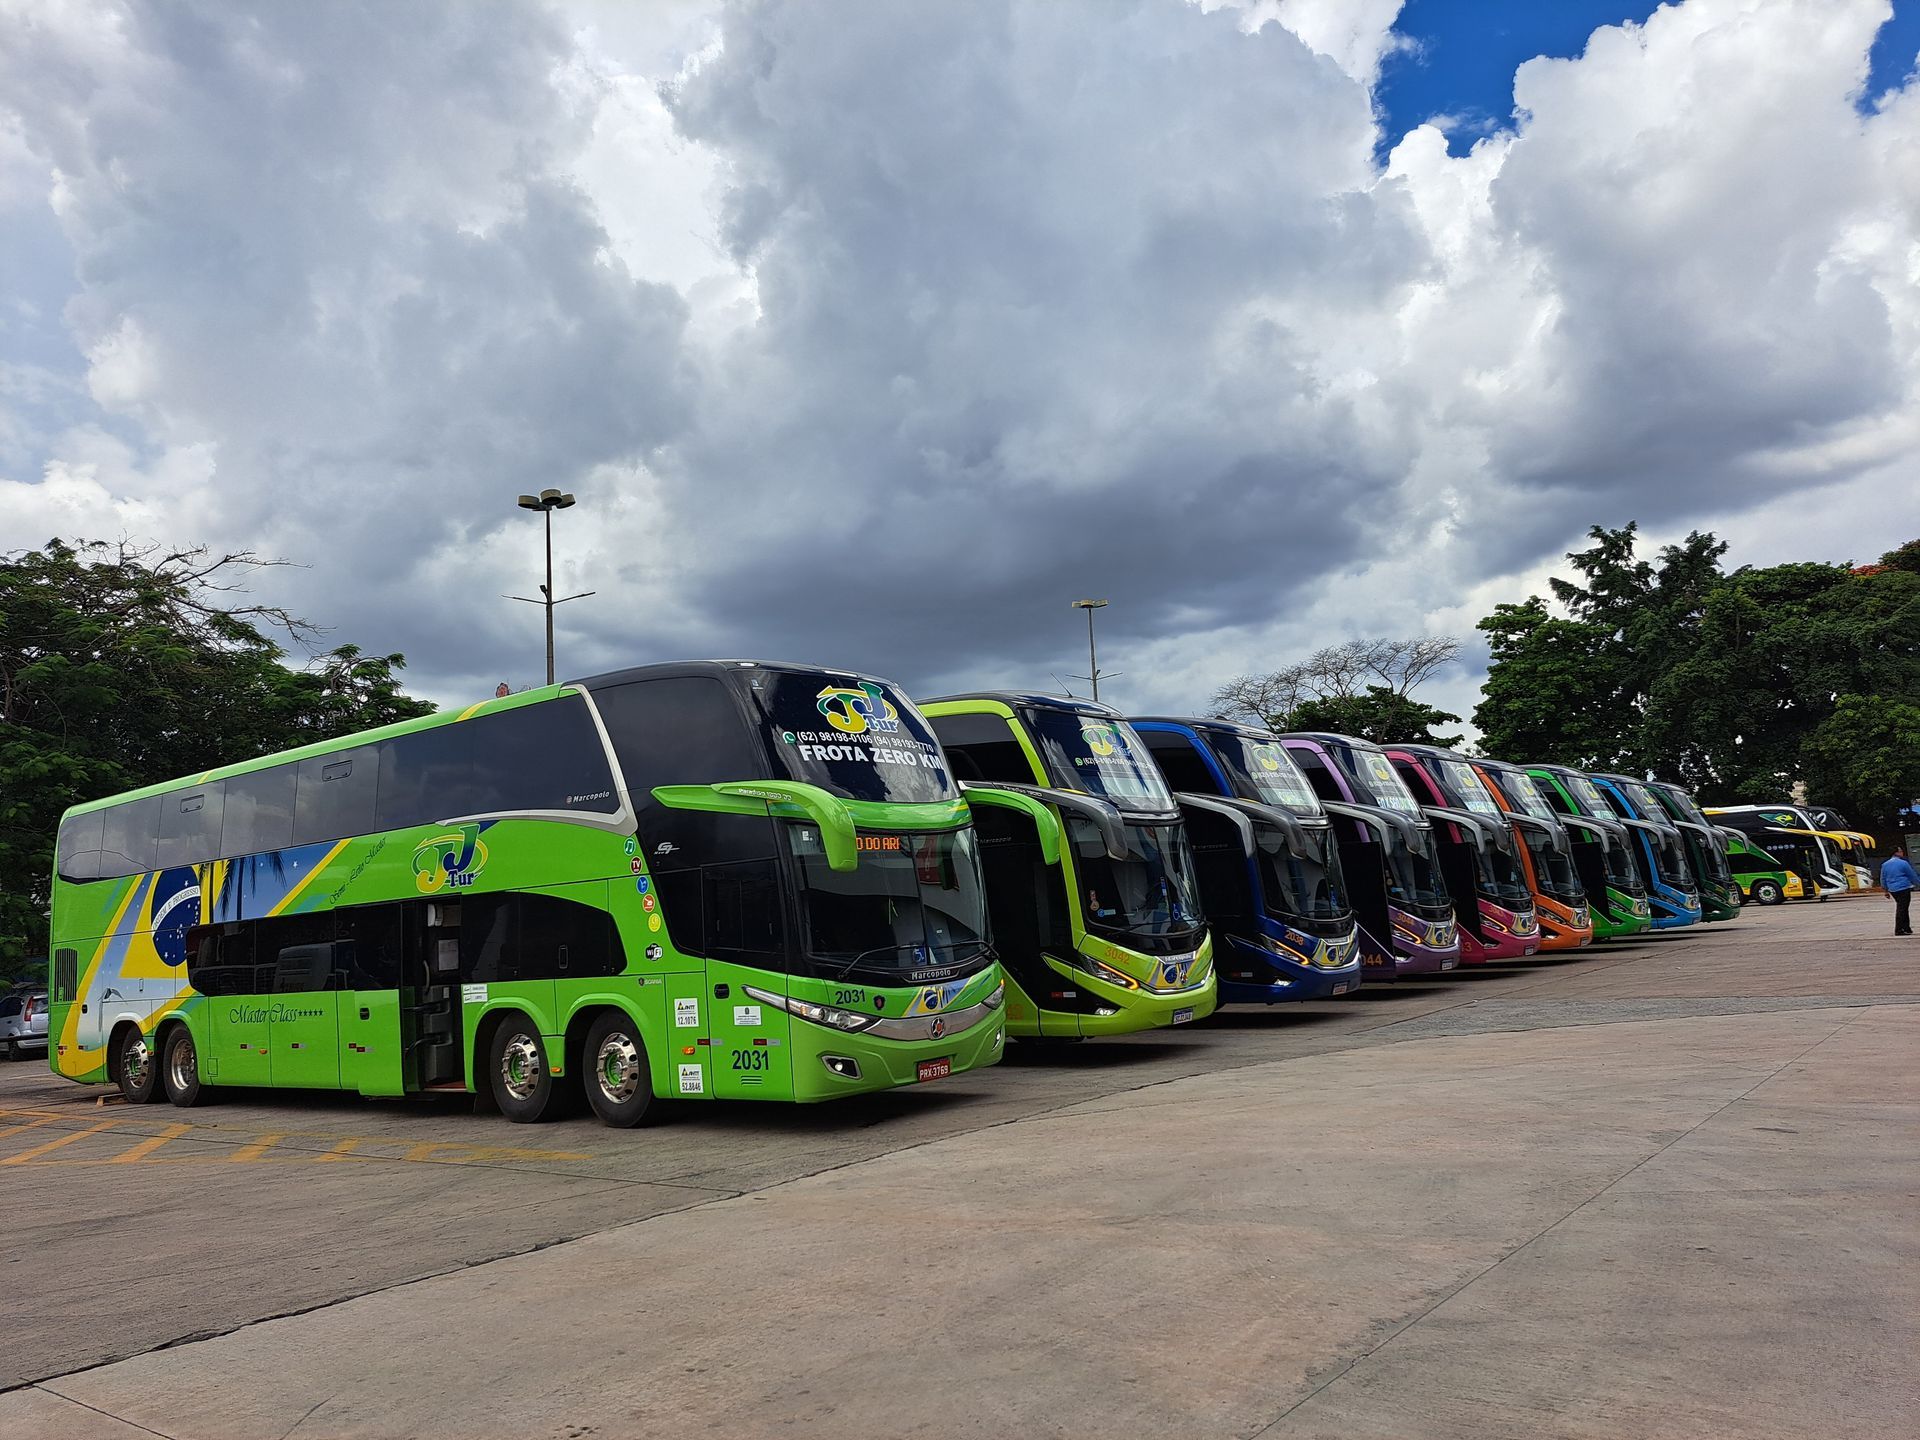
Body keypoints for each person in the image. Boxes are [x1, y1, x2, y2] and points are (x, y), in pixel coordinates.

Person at [1881, 847, 1917, 937]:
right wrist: (1917, 883)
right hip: (1903, 888)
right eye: (1901, 851)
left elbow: (1883, 878)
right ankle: (1899, 929)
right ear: (1896, 853)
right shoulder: (1903, 863)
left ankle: (1907, 928)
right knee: (1902, 909)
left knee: (1903, 907)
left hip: (1893, 889)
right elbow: (1912, 875)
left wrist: (1885, 890)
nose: (1902, 852)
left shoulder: (1885, 864)